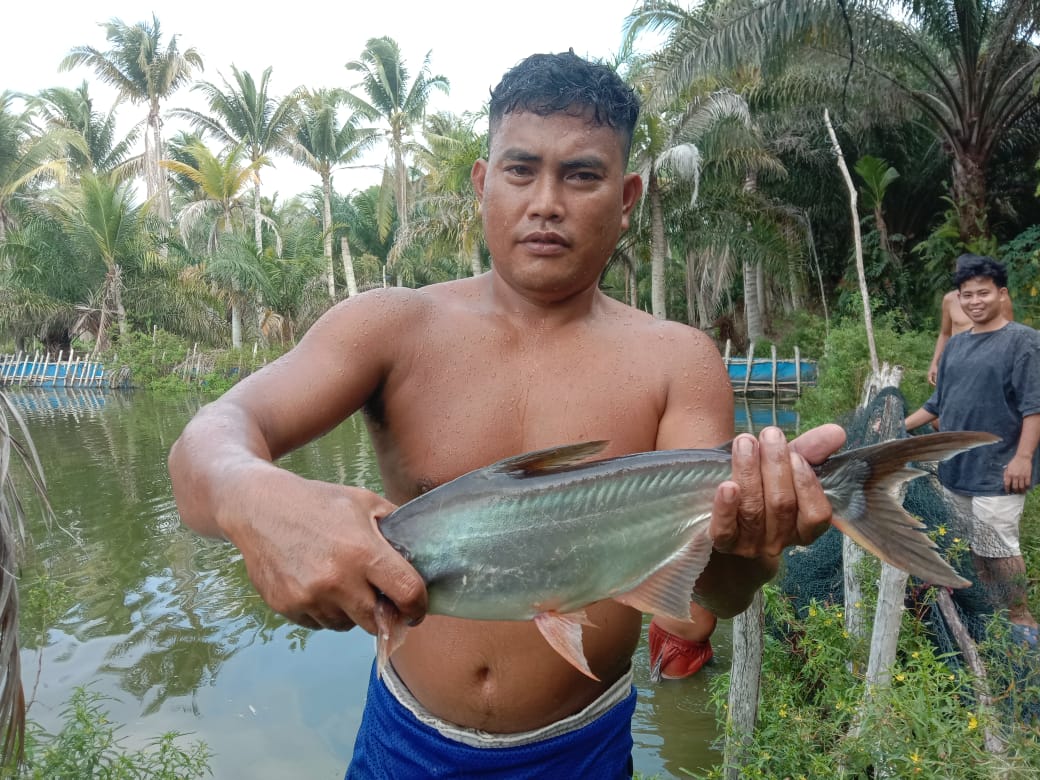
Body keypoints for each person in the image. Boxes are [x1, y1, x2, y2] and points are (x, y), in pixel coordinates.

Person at [168, 51, 844, 778]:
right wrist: (256, 497)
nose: (546, 201)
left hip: (580, 750)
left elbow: (700, 607)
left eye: (582, 175)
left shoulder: (678, 361)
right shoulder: (390, 326)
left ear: (627, 197)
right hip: (405, 741)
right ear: (483, 184)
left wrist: (751, 550)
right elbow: (206, 443)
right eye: (521, 170)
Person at [905, 256, 1040, 648]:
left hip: (1001, 467)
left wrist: (1023, 458)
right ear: (957, 299)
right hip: (957, 467)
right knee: (972, 544)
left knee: (999, 546)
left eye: (984, 293)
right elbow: (936, 406)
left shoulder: (1024, 341)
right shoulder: (956, 346)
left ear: (1002, 294)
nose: (975, 301)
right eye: (967, 295)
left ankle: (1020, 615)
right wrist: (898, 426)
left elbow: (1034, 407)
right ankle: (989, 611)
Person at [927, 252, 1014, 386]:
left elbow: (1008, 331)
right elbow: (945, 333)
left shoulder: (1000, 300)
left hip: (988, 361)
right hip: (958, 360)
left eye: (983, 293)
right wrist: (935, 363)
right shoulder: (949, 300)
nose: (975, 301)